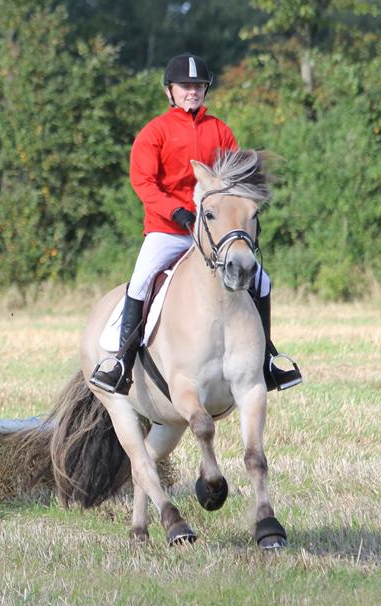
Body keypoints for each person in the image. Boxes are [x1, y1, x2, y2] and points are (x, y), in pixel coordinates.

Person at [89, 52, 302, 394]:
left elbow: (236, 181)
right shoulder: (154, 132)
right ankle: (120, 364)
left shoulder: (219, 129)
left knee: (261, 281)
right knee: (141, 280)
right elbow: (143, 182)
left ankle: (267, 360)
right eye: (185, 86)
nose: (192, 92)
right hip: (168, 230)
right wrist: (177, 211)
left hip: (215, 235)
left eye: (199, 86)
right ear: (169, 91)